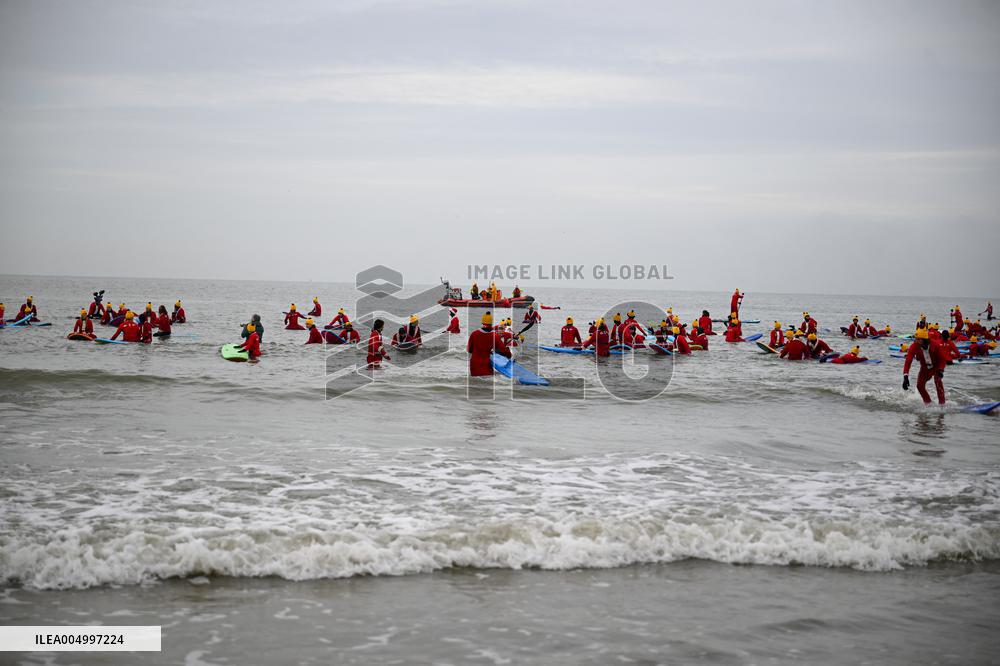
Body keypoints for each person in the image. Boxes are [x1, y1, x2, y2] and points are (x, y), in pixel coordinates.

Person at [903, 327, 945, 405]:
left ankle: (942, 405)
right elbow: (908, 361)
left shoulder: (935, 345)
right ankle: (928, 403)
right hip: (925, 368)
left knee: (938, 383)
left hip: (936, 367)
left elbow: (942, 359)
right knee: (919, 386)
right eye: (916, 339)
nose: (916, 341)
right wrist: (905, 376)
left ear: (925, 340)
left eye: (918, 339)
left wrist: (941, 369)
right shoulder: (914, 346)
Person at [467, 312, 511, 376]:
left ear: (482, 322)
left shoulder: (474, 333)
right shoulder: (494, 336)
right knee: (488, 382)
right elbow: (504, 350)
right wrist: (509, 357)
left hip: (474, 365)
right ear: (491, 323)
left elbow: (469, 350)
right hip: (486, 365)